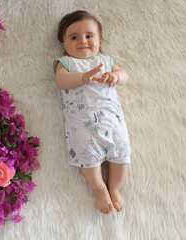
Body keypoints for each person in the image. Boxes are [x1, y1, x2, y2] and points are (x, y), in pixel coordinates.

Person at [53, 10, 131, 214]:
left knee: (122, 155)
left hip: (112, 124)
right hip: (83, 127)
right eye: (74, 37)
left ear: (100, 39)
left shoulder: (106, 61)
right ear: (63, 44)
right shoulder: (66, 63)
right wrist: (83, 77)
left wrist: (116, 77)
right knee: (87, 160)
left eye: (89, 36)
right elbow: (61, 81)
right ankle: (100, 189)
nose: (83, 41)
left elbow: (125, 75)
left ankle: (114, 187)